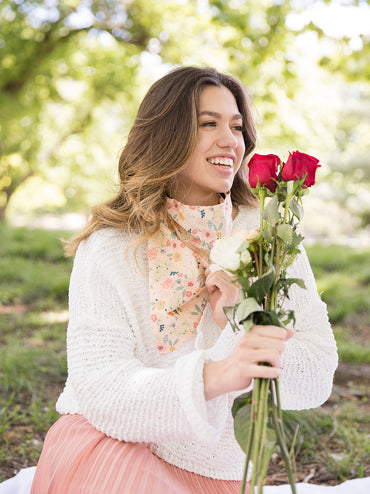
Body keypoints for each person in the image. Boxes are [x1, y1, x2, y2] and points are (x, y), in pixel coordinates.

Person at [30, 66, 338, 493]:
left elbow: (317, 376)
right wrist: (216, 374)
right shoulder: (110, 245)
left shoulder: (271, 234)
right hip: (112, 447)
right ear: (165, 135)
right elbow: (101, 387)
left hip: (222, 473)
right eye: (207, 124)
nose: (230, 140)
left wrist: (242, 317)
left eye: (236, 126)